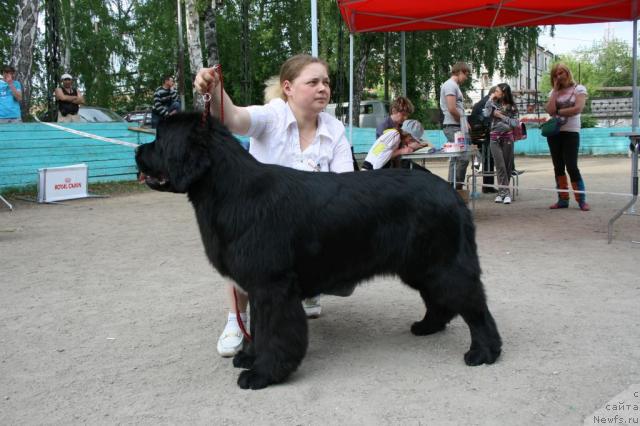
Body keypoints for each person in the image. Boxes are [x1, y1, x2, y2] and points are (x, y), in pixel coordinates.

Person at [194, 54, 355, 357]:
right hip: (261, 224)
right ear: (288, 87)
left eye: (326, 82)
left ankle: (308, 292)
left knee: (346, 266)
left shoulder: (335, 129)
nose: (323, 88)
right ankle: (237, 318)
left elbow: (347, 186)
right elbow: (233, 118)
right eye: (313, 82)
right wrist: (214, 90)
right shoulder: (272, 115)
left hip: (307, 226)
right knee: (244, 249)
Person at [544, 63, 589, 211]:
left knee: (571, 166)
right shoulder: (553, 92)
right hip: (555, 133)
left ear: (568, 73)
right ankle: (562, 200)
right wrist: (556, 91)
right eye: (556, 74)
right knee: (558, 167)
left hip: (571, 132)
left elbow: (578, 109)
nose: (559, 76)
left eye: (561, 73)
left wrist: (558, 111)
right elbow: (550, 110)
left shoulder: (579, 89)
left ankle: (581, 200)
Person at [483, 83, 519, 204]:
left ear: (503, 93)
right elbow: (486, 114)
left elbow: (515, 123)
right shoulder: (493, 103)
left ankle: (502, 193)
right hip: (494, 138)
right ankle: (505, 192)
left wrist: (501, 116)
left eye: (497, 91)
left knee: (507, 166)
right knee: (500, 166)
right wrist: (489, 99)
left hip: (508, 138)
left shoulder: (512, 107)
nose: (495, 92)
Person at [439, 62, 471, 189]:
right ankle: (457, 187)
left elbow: (456, 108)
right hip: (453, 127)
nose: (466, 78)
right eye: (466, 74)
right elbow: (452, 108)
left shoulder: (454, 86)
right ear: (460, 71)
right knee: (463, 157)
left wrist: (464, 122)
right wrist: (463, 122)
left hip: (455, 126)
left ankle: (451, 188)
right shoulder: (450, 85)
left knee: (455, 158)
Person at [362, 119, 432, 170]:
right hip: (370, 170)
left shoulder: (395, 135)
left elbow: (384, 154)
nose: (410, 141)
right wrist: (401, 151)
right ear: (408, 135)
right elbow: (379, 162)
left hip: (371, 168)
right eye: (411, 139)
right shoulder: (394, 135)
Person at [469, 87, 496, 193]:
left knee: (487, 159)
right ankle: (487, 186)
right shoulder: (487, 102)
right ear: (493, 93)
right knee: (489, 159)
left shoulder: (482, 102)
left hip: (478, 135)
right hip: (483, 135)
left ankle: (488, 186)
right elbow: (487, 119)